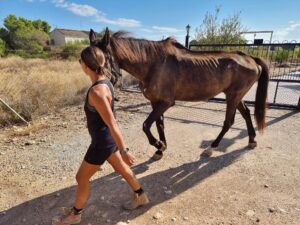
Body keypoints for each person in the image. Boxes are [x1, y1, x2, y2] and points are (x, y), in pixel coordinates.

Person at [52, 46, 149, 225]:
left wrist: (124, 149)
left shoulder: (97, 91)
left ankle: (76, 214)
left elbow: (112, 123)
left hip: (102, 143)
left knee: (81, 178)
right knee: (122, 169)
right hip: (106, 140)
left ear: (86, 66)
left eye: (80, 61)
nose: (80, 64)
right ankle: (141, 195)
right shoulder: (106, 81)